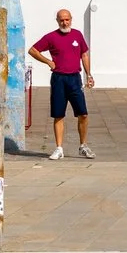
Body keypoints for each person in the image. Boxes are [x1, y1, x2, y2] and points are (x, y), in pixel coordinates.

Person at [27, 9, 95, 159]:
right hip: (59, 79)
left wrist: (89, 74)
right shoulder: (51, 37)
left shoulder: (77, 35)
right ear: (57, 21)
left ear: (71, 19)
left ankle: (83, 146)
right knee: (58, 114)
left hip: (75, 79)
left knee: (83, 114)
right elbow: (33, 50)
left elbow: (84, 55)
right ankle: (59, 148)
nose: (65, 23)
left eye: (67, 19)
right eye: (61, 20)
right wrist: (48, 61)